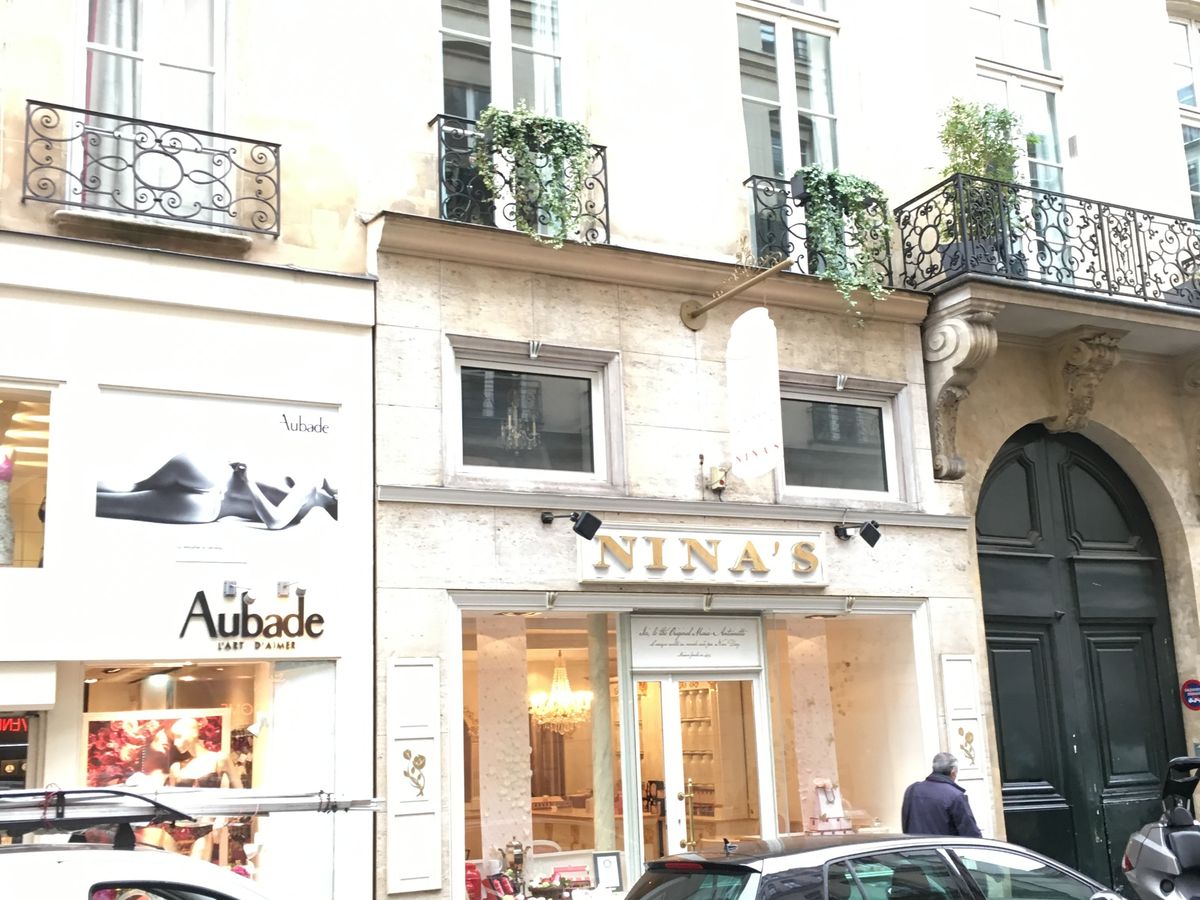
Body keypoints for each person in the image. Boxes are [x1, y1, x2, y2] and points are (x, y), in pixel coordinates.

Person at [96, 454, 337, 530]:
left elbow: (274, 521)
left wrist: (248, 480)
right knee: (114, 504)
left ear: (337, 498)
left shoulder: (309, 488)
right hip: (210, 507)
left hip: (211, 487)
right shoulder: (302, 511)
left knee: (129, 491)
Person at [901, 751, 982, 837]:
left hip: (916, 844)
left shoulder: (912, 790)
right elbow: (971, 833)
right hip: (943, 845)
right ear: (953, 772)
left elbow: (906, 824)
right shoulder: (955, 796)